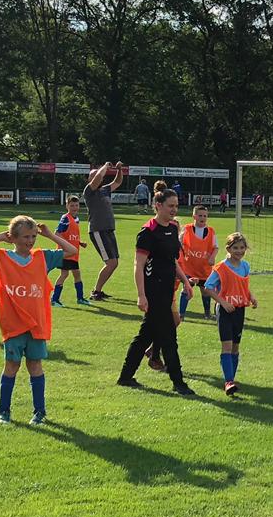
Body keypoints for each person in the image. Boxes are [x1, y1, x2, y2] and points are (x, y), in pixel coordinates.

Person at [0, 215, 71, 424]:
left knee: (35, 366)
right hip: (13, 324)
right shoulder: (2, 258)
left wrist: (50, 235)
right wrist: (1, 237)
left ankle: (40, 412)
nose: (30, 241)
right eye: (26, 236)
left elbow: (71, 251)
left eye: (33, 236)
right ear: (14, 238)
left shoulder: (42, 257)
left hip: (36, 324)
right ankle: (3, 411)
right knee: (11, 366)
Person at [117, 188, 196, 395]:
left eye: (176, 206)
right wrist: (141, 295)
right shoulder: (147, 232)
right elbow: (138, 265)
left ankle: (125, 377)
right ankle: (179, 382)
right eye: (170, 206)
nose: (174, 210)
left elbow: (172, 261)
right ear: (158, 205)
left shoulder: (173, 228)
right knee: (169, 337)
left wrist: (185, 281)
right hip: (154, 292)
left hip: (167, 290)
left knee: (146, 336)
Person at [204, 230, 258, 397]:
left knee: (235, 347)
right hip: (225, 311)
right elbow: (208, 288)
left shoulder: (245, 266)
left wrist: (251, 297)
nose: (239, 251)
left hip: (239, 310)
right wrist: (223, 302)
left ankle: (231, 379)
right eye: (235, 248)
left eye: (242, 248)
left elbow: (243, 286)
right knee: (227, 346)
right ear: (228, 248)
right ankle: (228, 382)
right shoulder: (221, 267)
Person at [83, 161, 125, 300]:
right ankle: (96, 292)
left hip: (108, 230)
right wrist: (105, 166)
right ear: (90, 179)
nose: (97, 177)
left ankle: (98, 291)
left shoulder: (105, 189)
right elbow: (98, 178)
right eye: (93, 176)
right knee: (111, 263)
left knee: (114, 263)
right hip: (98, 230)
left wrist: (119, 170)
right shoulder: (89, 191)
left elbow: (117, 182)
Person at [178, 204, 217, 320]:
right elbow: (179, 244)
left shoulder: (211, 231)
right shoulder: (186, 229)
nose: (203, 218)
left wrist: (212, 257)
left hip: (204, 269)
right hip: (189, 268)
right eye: (200, 215)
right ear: (194, 216)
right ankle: (181, 314)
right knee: (186, 289)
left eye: (205, 216)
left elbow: (215, 247)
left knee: (205, 291)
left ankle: (207, 314)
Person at [52, 194, 90, 307]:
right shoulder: (65, 218)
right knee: (64, 274)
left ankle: (80, 298)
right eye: (72, 205)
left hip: (73, 253)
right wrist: (67, 245)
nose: (74, 207)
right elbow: (57, 233)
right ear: (67, 206)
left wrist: (79, 242)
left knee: (76, 274)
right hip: (66, 252)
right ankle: (54, 300)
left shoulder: (76, 219)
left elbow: (70, 234)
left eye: (76, 205)